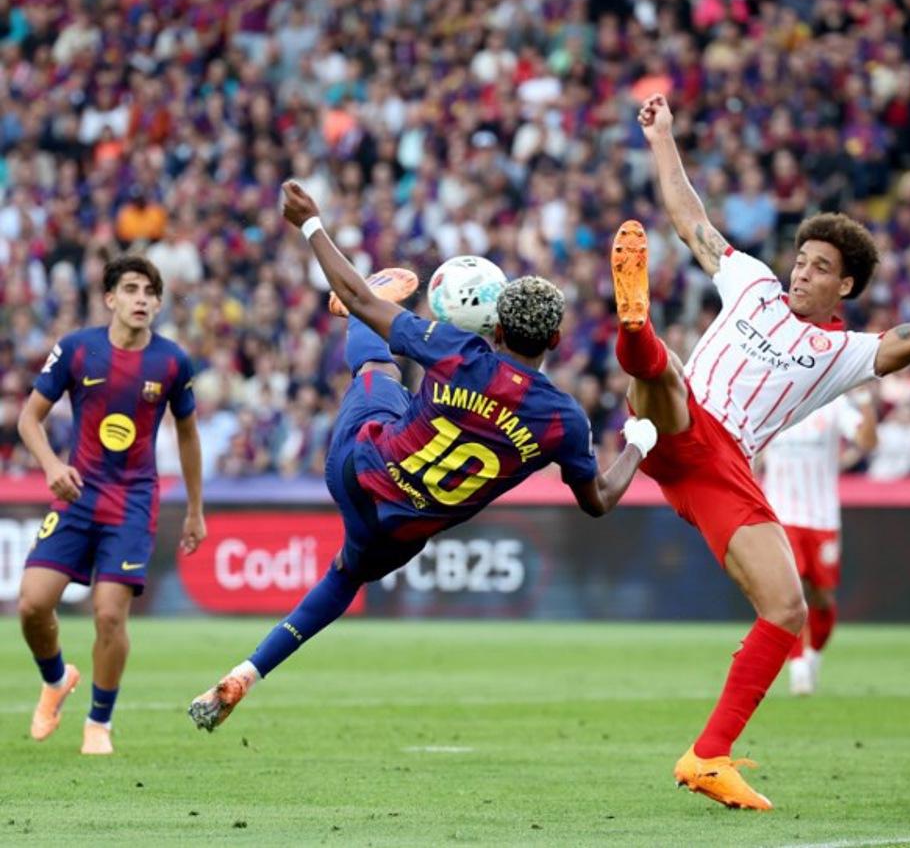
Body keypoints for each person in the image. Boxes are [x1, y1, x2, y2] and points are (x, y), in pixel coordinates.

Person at [188, 181, 658, 731]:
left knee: (377, 367)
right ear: (555, 341)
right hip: (401, 529)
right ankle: (250, 670)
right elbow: (599, 500)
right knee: (344, 578)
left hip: (358, 468)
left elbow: (364, 300)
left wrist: (311, 225)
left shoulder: (457, 350)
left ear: (498, 328)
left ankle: (245, 673)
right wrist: (637, 444)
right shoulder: (563, 421)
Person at [613, 92, 910, 810]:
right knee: (668, 385)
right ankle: (637, 332)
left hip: (720, 468)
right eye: (800, 259)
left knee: (787, 608)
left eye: (819, 267)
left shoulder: (841, 351)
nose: (801, 271)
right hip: (685, 425)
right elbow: (691, 221)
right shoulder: (751, 282)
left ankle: (708, 755)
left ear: (847, 285)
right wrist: (663, 139)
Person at [17, 254, 206, 755]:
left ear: (159, 303)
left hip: (132, 502)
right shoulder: (77, 351)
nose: (141, 298)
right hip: (78, 494)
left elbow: (188, 436)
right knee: (33, 604)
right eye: (131, 289)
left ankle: (98, 723)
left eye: (149, 291)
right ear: (110, 299)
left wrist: (194, 510)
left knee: (108, 615)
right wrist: (53, 467)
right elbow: (28, 420)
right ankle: (56, 680)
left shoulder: (170, 361)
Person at [757, 391, 877, 695]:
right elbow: (751, 450)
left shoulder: (834, 405)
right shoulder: (772, 401)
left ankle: (812, 656)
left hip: (822, 518)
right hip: (780, 515)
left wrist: (865, 400)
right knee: (790, 593)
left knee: (822, 596)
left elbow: (867, 442)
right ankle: (797, 665)